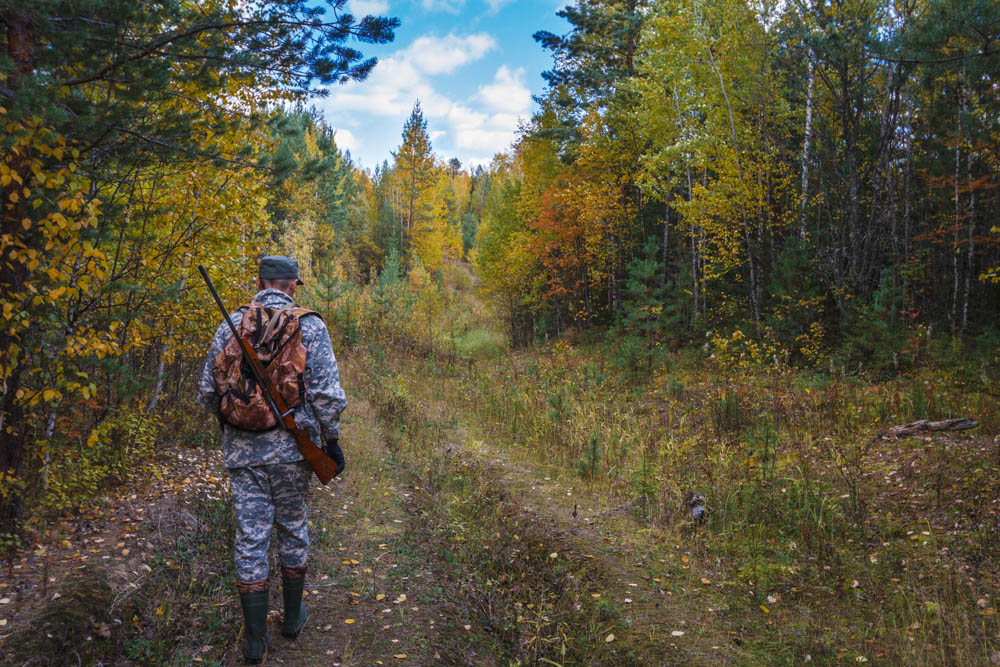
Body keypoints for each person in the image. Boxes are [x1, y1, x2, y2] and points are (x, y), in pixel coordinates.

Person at [197, 255, 347, 664]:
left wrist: (232, 426)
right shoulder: (310, 325)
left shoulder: (230, 323)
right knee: (293, 527)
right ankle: (294, 618)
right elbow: (327, 398)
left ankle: (254, 640)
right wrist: (330, 442)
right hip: (294, 455)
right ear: (294, 284)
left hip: (242, 454)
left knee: (251, 537)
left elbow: (207, 393)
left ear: (260, 281)